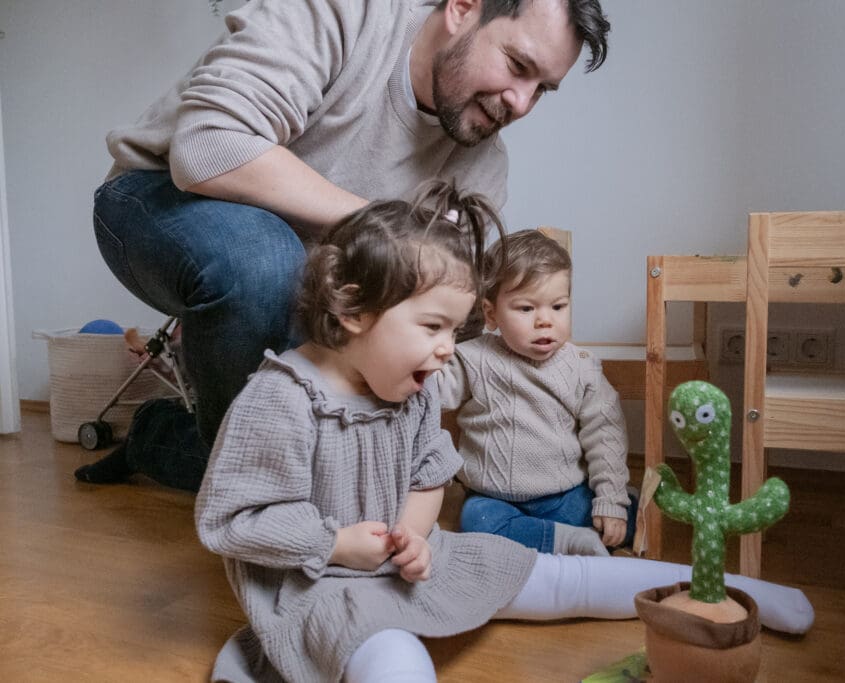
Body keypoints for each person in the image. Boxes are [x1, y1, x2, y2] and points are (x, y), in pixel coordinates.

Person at [194, 182, 814, 682]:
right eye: (434, 327)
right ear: (354, 311)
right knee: (393, 660)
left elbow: (430, 473)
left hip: (408, 563)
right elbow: (232, 519)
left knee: (552, 576)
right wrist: (336, 545)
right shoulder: (282, 397)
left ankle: (729, 591)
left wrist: (411, 536)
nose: (446, 352)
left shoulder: (409, 389)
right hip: (321, 586)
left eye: (455, 332)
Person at [75, 0, 612, 491]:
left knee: (334, 467)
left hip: (305, 276)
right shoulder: (340, 15)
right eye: (518, 66)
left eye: (542, 88)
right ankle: (253, 494)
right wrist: (384, 229)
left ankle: (173, 442)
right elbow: (208, 147)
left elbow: (454, 317)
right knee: (266, 264)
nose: (521, 103)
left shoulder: (482, 166)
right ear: (463, 8)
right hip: (155, 200)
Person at [436, 230, 637, 556]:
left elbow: (606, 434)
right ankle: (569, 542)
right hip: (492, 499)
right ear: (491, 315)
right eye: (526, 308)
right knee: (477, 523)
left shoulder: (581, 368)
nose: (545, 320)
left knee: (624, 515)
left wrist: (610, 499)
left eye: (558, 306)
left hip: (563, 496)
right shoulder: (472, 359)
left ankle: (575, 530)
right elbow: (432, 392)